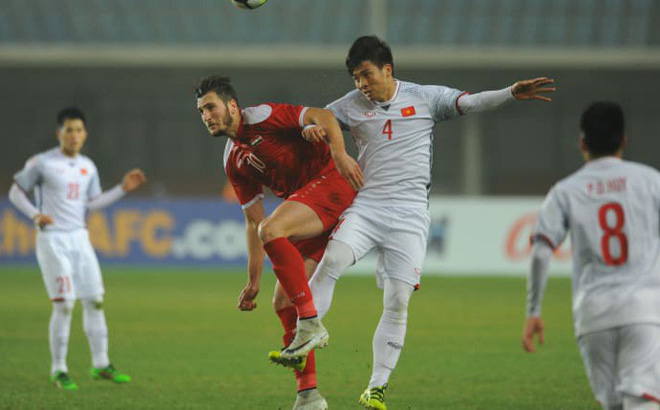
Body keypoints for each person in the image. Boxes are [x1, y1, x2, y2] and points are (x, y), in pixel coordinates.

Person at [302, 35, 555, 409]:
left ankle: (376, 386)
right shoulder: (349, 104)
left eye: (366, 74)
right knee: (332, 260)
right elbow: (315, 117)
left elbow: (471, 102)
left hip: (410, 214)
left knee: (398, 300)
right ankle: (304, 334)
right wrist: (309, 129)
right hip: (368, 205)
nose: (361, 84)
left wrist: (511, 93)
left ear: (387, 69)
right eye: (356, 77)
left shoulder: (424, 97)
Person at [195, 75, 362, 409]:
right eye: (201, 111)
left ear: (232, 106)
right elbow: (252, 221)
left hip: (332, 182)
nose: (206, 116)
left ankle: (311, 323)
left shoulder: (262, 117)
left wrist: (340, 154)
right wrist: (253, 280)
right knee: (283, 302)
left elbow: (323, 116)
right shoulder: (233, 160)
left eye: (211, 107)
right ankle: (309, 396)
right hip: (309, 210)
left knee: (272, 230)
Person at [523, 102, 660, 410]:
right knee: (642, 401)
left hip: (593, 314)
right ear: (623, 140)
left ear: (582, 143)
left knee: (613, 404)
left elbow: (541, 251)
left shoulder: (565, 191)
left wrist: (534, 311)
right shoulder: (651, 181)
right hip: (644, 310)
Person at [8, 107, 146, 390]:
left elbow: (91, 203)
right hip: (52, 239)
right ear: (59, 133)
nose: (74, 135)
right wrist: (35, 214)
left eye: (79, 130)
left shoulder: (87, 166)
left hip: (80, 239)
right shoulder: (42, 162)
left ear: (85, 134)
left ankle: (101, 364)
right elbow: (15, 192)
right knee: (65, 304)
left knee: (94, 300)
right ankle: (59, 369)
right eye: (69, 130)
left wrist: (122, 189)